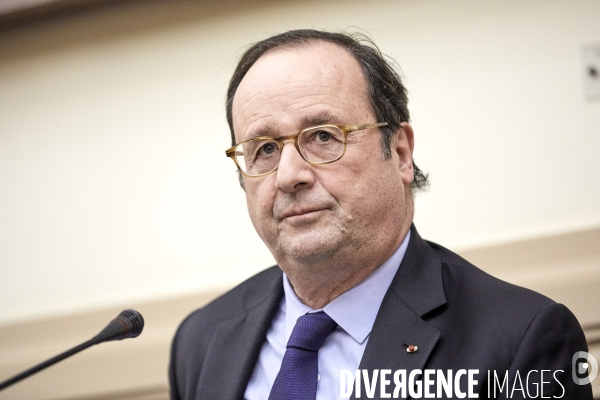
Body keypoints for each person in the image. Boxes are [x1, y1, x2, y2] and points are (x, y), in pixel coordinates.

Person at [169, 29, 593, 400]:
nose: (288, 176)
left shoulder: (521, 340)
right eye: (264, 148)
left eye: (322, 136)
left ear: (401, 153)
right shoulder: (201, 341)